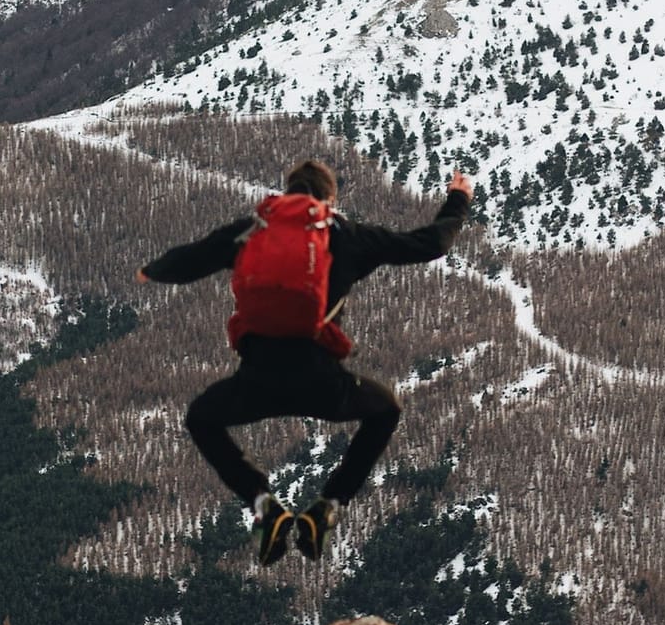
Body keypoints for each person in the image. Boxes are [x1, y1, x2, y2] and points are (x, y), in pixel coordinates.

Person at [137, 159, 474, 563]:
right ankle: (327, 506)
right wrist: (457, 200)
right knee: (386, 410)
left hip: (256, 383)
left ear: (287, 192)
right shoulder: (345, 235)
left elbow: (191, 260)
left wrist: (150, 271)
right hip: (323, 385)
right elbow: (429, 245)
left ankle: (264, 504)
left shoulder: (250, 232)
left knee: (201, 418)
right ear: (331, 199)